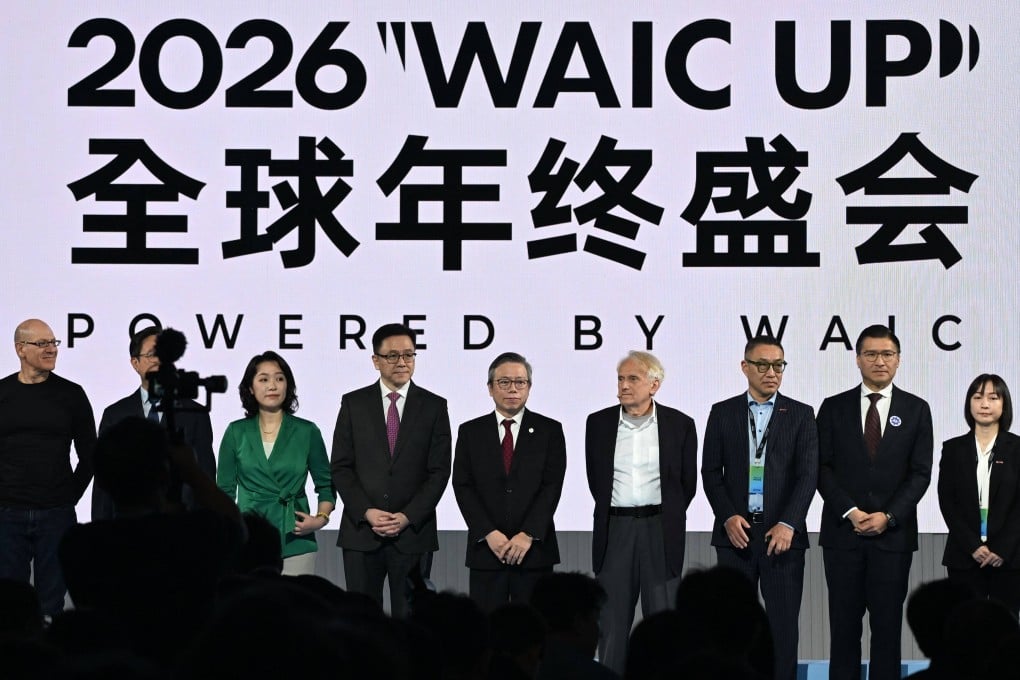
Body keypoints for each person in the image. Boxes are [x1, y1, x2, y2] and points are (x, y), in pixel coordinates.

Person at [817, 324, 933, 680]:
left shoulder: (916, 409)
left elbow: (920, 473)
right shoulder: (833, 407)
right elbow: (820, 468)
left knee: (887, 630)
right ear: (857, 360)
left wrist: (889, 515)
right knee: (843, 629)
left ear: (899, 361)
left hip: (892, 539)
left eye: (887, 354)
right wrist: (850, 511)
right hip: (842, 537)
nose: (879, 361)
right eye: (871, 354)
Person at [701, 334, 818, 680]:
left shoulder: (800, 414)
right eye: (763, 365)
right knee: (732, 629)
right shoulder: (722, 413)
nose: (772, 372)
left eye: (778, 365)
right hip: (736, 536)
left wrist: (788, 523)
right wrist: (727, 516)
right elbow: (710, 472)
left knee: (783, 630)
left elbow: (807, 475)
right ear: (745, 367)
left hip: (781, 538)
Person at [585, 350, 698, 674]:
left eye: (632, 378)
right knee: (612, 626)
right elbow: (597, 482)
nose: (623, 385)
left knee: (664, 628)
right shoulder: (598, 423)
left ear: (654, 384)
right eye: (620, 378)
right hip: (616, 529)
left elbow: (685, 485)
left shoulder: (680, 424)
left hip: (660, 530)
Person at [331, 323, 452, 618]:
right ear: (376, 360)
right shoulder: (353, 403)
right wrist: (367, 512)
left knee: (412, 624)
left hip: (412, 534)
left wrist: (407, 516)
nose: (402, 362)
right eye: (393, 355)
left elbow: (439, 472)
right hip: (362, 533)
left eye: (409, 355)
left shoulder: (434, 406)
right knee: (360, 623)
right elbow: (341, 466)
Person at [453, 352, 567, 612]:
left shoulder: (550, 430)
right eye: (504, 382)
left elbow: (551, 487)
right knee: (485, 633)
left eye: (520, 382)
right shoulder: (471, 431)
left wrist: (528, 535)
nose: (513, 389)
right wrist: (488, 533)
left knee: (536, 631)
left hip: (534, 552)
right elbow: (463, 485)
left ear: (529, 387)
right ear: (490, 388)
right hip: (487, 551)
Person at [0, 319, 96, 618]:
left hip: (56, 513)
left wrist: (69, 497)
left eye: (53, 343)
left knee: (52, 606)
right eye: (42, 344)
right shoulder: (2, 393)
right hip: (7, 514)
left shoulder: (72, 395)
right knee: (8, 605)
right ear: (20, 349)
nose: (51, 350)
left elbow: (91, 454)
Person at [217, 351, 334, 576]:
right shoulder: (235, 432)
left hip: (295, 538)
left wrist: (319, 520)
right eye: (264, 379)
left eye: (279, 378)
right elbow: (225, 492)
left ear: (288, 386)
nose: (273, 385)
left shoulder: (307, 431)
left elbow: (326, 486)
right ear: (250, 388)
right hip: (249, 538)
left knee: (294, 608)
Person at [92, 326, 215, 520]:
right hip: (127, 527)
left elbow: (206, 473)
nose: (158, 360)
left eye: (163, 355)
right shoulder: (115, 415)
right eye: (151, 354)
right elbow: (103, 483)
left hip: (183, 524)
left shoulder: (194, 413)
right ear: (135, 363)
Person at [938, 374, 1020, 619]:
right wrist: (972, 545)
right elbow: (947, 502)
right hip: (964, 556)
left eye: (993, 397)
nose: (985, 404)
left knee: (1004, 630)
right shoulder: (953, 448)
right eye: (978, 397)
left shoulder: (1017, 449)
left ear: (1004, 404)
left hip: (1009, 558)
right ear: (969, 403)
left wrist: (1002, 548)